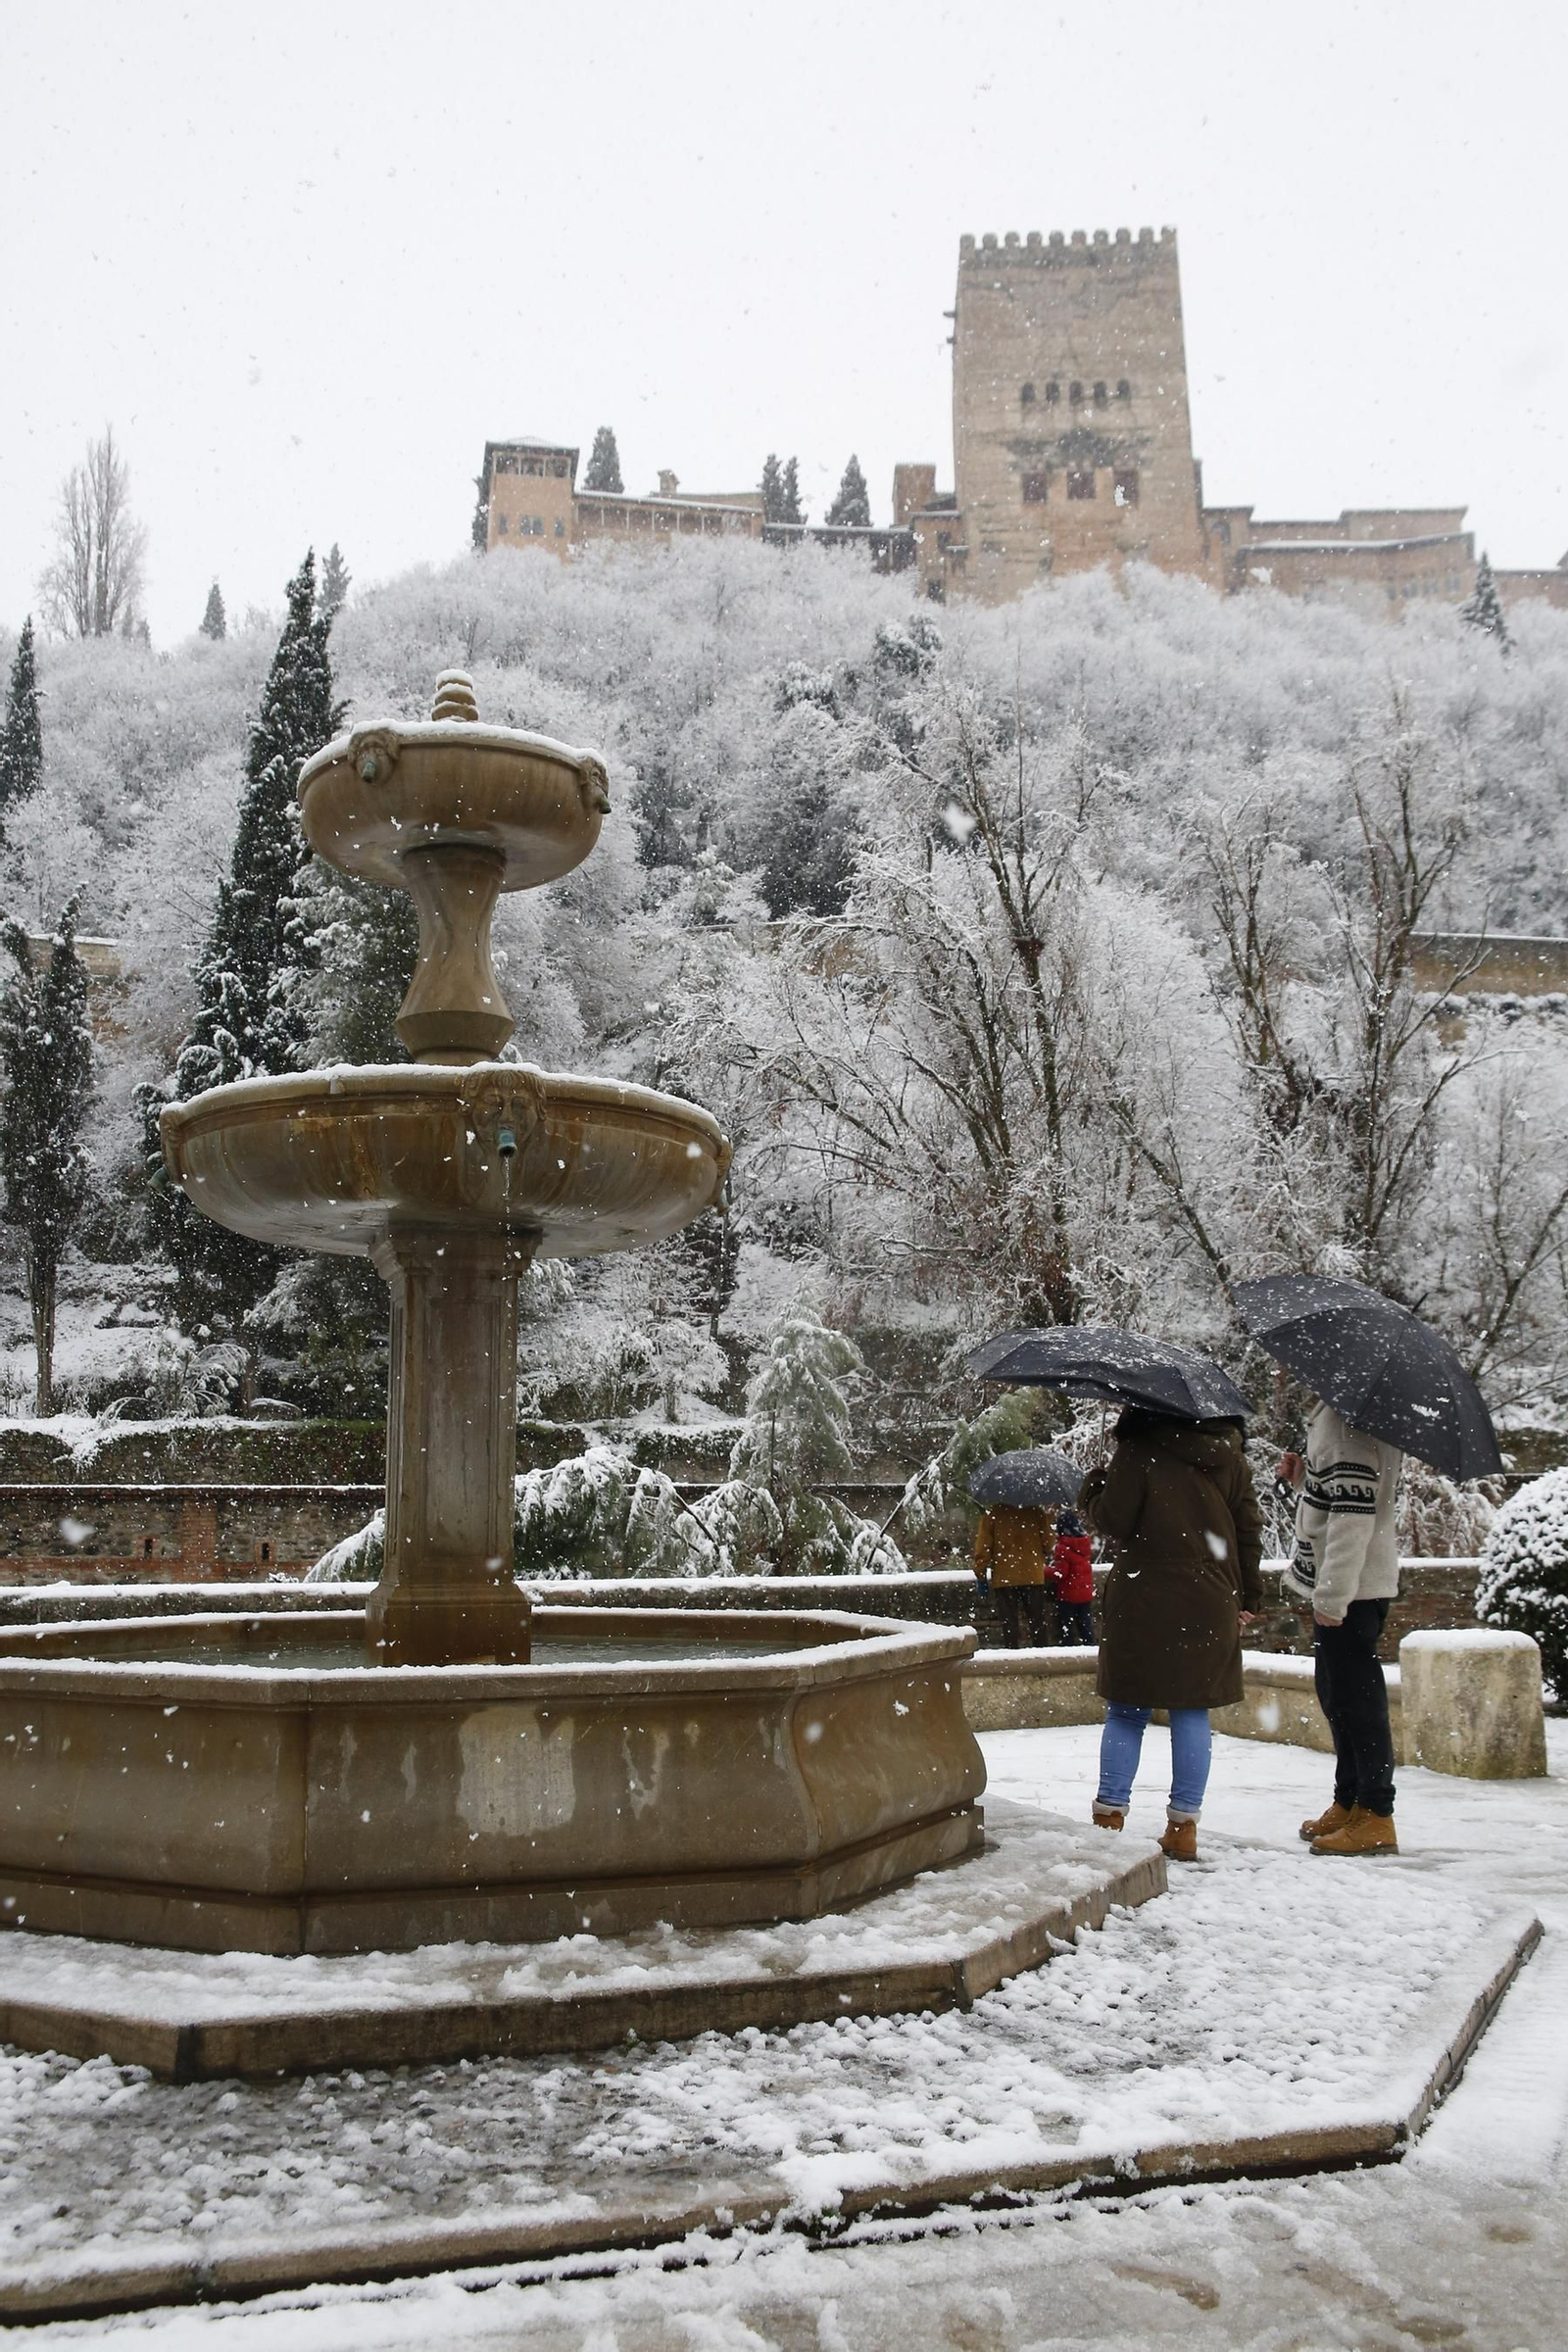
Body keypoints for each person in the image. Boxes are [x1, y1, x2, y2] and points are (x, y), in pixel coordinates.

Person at [1079, 1408, 1263, 1863]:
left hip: (1144, 1595)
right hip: (1209, 1595)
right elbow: (1247, 1531)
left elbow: (1114, 1520)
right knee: (1191, 1712)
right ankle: (1183, 1827)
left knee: (1126, 1709)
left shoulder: (1138, 1450)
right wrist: (1248, 1598)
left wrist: (1095, 1486)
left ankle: (1109, 1818)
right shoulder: (1228, 1456)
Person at [1279, 1398, 1403, 1857]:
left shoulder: (1348, 1427)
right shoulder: (1351, 1416)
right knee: (1338, 1695)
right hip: (1353, 1584)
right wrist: (1305, 1480)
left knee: (1356, 1702)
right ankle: (1350, 1800)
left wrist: (1333, 1596)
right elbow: (1342, 1499)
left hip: (1350, 1588)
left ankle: (1375, 1813)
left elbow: (1353, 1519)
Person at [972, 1499, 1054, 1648]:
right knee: (1037, 1622)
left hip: (1005, 1576)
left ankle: (1012, 1658)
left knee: (1009, 1624)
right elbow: (1048, 1544)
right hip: (1033, 1575)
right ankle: (1042, 1659)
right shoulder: (1035, 1511)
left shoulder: (993, 1514)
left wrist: (981, 1573)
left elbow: (983, 1547)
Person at [1047, 1504, 1096, 1644]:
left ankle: (1069, 1653)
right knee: (1085, 1626)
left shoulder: (1063, 1548)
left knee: (1067, 1628)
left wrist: (1043, 1570)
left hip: (1069, 1595)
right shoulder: (1083, 1544)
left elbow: (1060, 1574)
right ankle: (1090, 1650)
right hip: (1085, 1593)